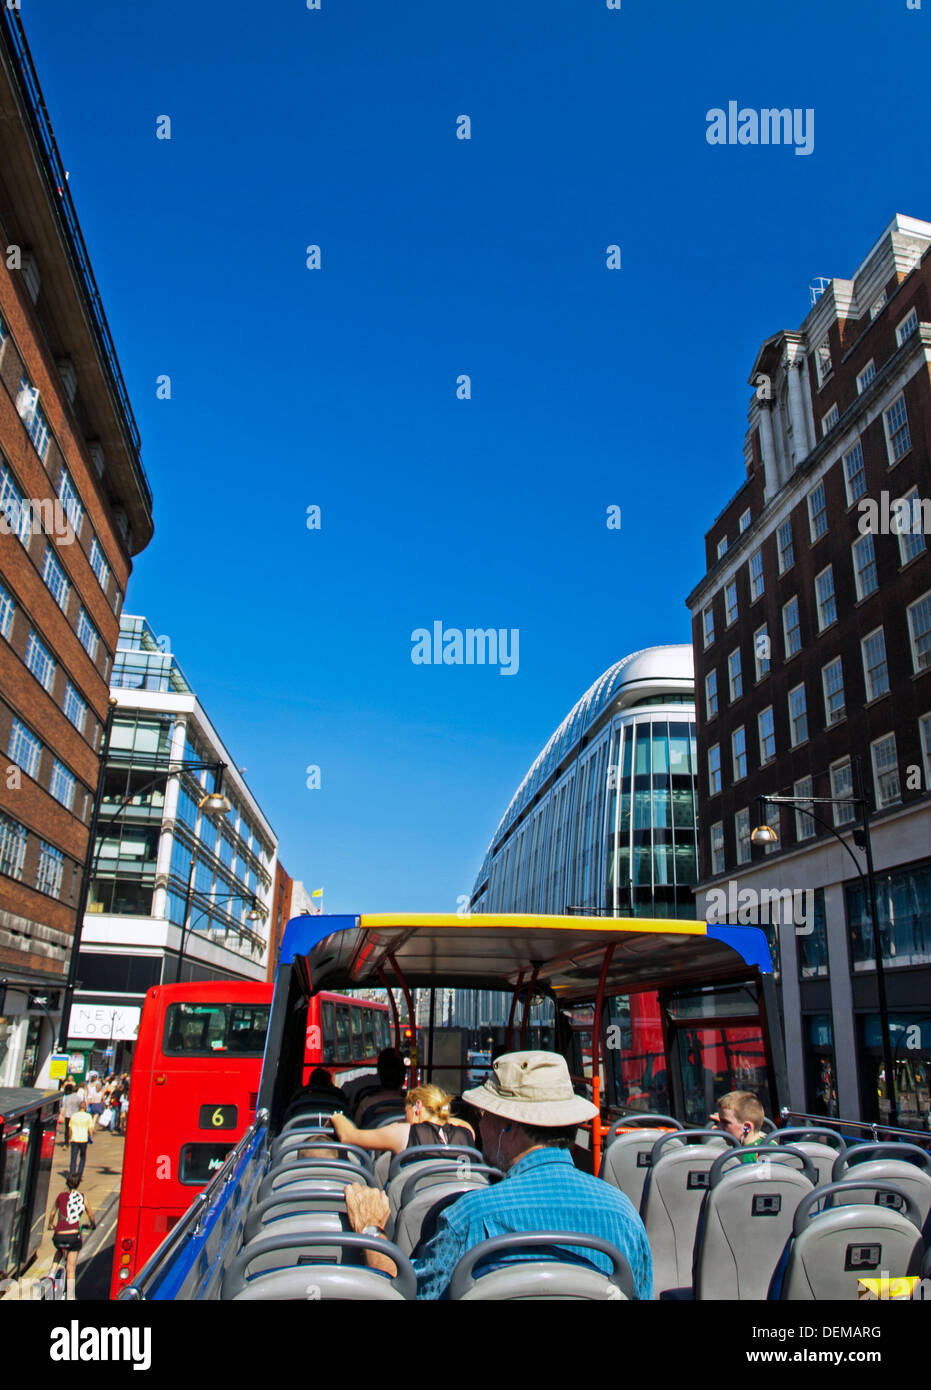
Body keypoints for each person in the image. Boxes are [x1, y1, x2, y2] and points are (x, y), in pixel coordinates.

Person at [344, 1051, 654, 1300]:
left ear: (509, 1126)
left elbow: (410, 1293)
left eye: (483, 1116)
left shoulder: (470, 1217)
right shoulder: (624, 1215)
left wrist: (372, 1232)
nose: (479, 1127)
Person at [330, 1083, 474, 1157]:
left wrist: (337, 1117)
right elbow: (453, 1122)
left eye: (406, 1111)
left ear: (417, 1106)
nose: (405, 1118)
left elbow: (348, 1136)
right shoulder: (466, 1131)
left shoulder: (403, 1133)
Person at [48, 1174, 96, 1298]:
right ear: (78, 1184)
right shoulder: (82, 1197)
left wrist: (50, 1225)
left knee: (59, 1249)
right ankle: (70, 1296)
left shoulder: (61, 1196)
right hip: (73, 1237)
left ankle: (51, 1274)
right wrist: (92, 1225)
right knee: (71, 1269)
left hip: (59, 1236)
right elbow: (90, 1214)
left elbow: (52, 1213)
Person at [353, 1049, 406, 1123]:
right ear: (403, 1078)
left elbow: (356, 1130)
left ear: (380, 1074)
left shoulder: (366, 1104)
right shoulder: (411, 1107)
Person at [68, 1100, 94, 1180]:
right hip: (83, 1139)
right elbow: (90, 1129)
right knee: (82, 1157)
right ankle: (79, 1175)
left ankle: (72, 1174)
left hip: (74, 1139)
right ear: (85, 1107)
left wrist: (69, 1137)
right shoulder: (88, 1116)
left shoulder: (74, 1116)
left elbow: (70, 1128)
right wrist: (91, 1136)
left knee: (73, 1158)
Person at [59, 1082, 79, 1149]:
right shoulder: (77, 1096)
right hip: (75, 1115)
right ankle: (74, 1141)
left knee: (67, 1130)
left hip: (68, 1115)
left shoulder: (66, 1097)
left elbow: (64, 1107)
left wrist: (61, 1115)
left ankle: (66, 1143)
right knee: (74, 1128)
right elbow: (80, 1105)